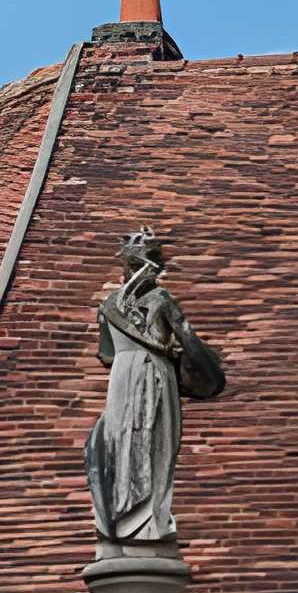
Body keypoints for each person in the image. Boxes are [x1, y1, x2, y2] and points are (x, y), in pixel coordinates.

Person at [84, 230, 225, 544]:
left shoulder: (108, 304)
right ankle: (150, 521)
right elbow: (189, 341)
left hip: (121, 378)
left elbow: (106, 354)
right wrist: (200, 367)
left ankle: (123, 513)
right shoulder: (161, 298)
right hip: (153, 374)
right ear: (149, 265)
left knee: (122, 440)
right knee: (156, 443)